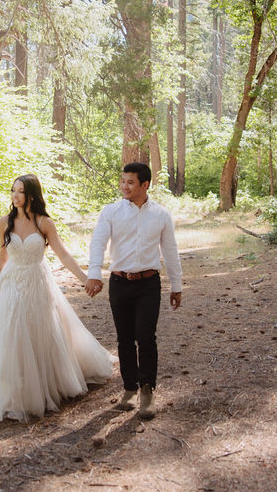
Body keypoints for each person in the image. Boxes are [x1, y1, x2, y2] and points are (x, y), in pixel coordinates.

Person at [0, 174, 112, 421]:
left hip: (37, 281)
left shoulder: (45, 223)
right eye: (13, 190)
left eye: (20, 191)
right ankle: (14, 392)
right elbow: (3, 257)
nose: (15, 195)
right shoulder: (5, 222)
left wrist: (85, 278)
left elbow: (63, 255)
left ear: (31, 194)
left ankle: (46, 384)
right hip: (12, 283)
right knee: (12, 334)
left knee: (39, 331)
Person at [86, 162, 181, 420]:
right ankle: (129, 388)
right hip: (119, 283)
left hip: (148, 284)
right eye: (122, 181)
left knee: (146, 336)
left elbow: (170, 251)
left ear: (145, 184)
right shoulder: (111, 212)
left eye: (130, 182)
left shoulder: (161, 215)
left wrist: (177, 285)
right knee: (125, 339)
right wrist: (94, 273)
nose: (124, 186)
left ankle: (147, 390)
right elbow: (98, 243)